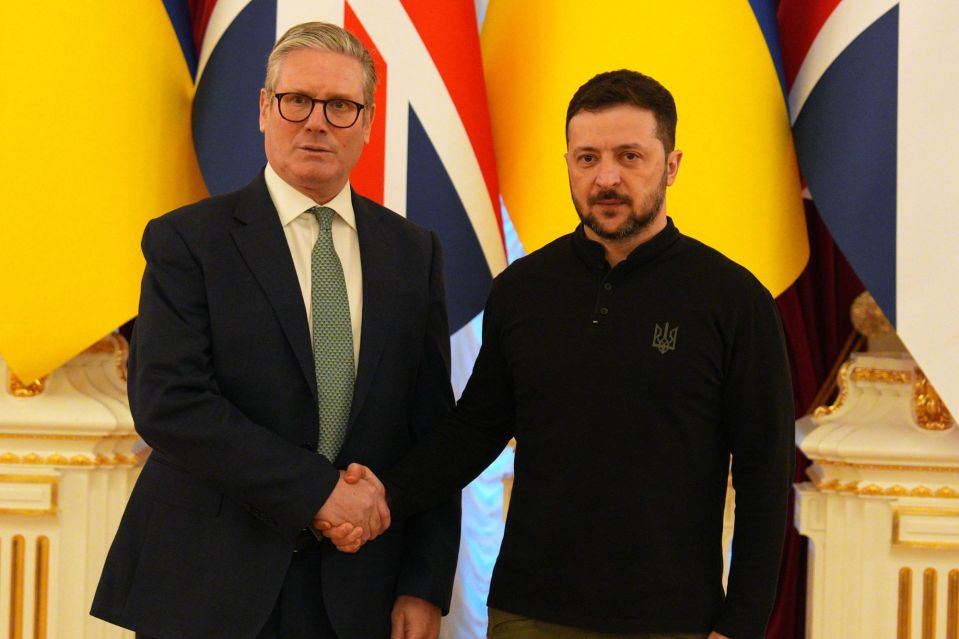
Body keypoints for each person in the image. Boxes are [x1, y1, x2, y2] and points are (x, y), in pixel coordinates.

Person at [323, 69, 795, 639]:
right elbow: (473, 432)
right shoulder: (523, 289)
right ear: (568, 164)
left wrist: (742, 624)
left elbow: (765, 473)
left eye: (630, 156)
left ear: (670, 166)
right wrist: (380, 495)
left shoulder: (734, 300)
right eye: (588, 158)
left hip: (674, 619)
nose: (607, 178)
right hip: (529, 611)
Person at [91, 22, 458, 639]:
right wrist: (321, 492)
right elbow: (169, 403)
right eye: (297, 101)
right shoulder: (188, 240)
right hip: (208, 584)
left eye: (341, 105)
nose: (317, 121)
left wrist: (424, 584)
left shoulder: (413, 253)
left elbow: (431, 428)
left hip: (358, 593)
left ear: (368, 122)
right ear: (265, 109)